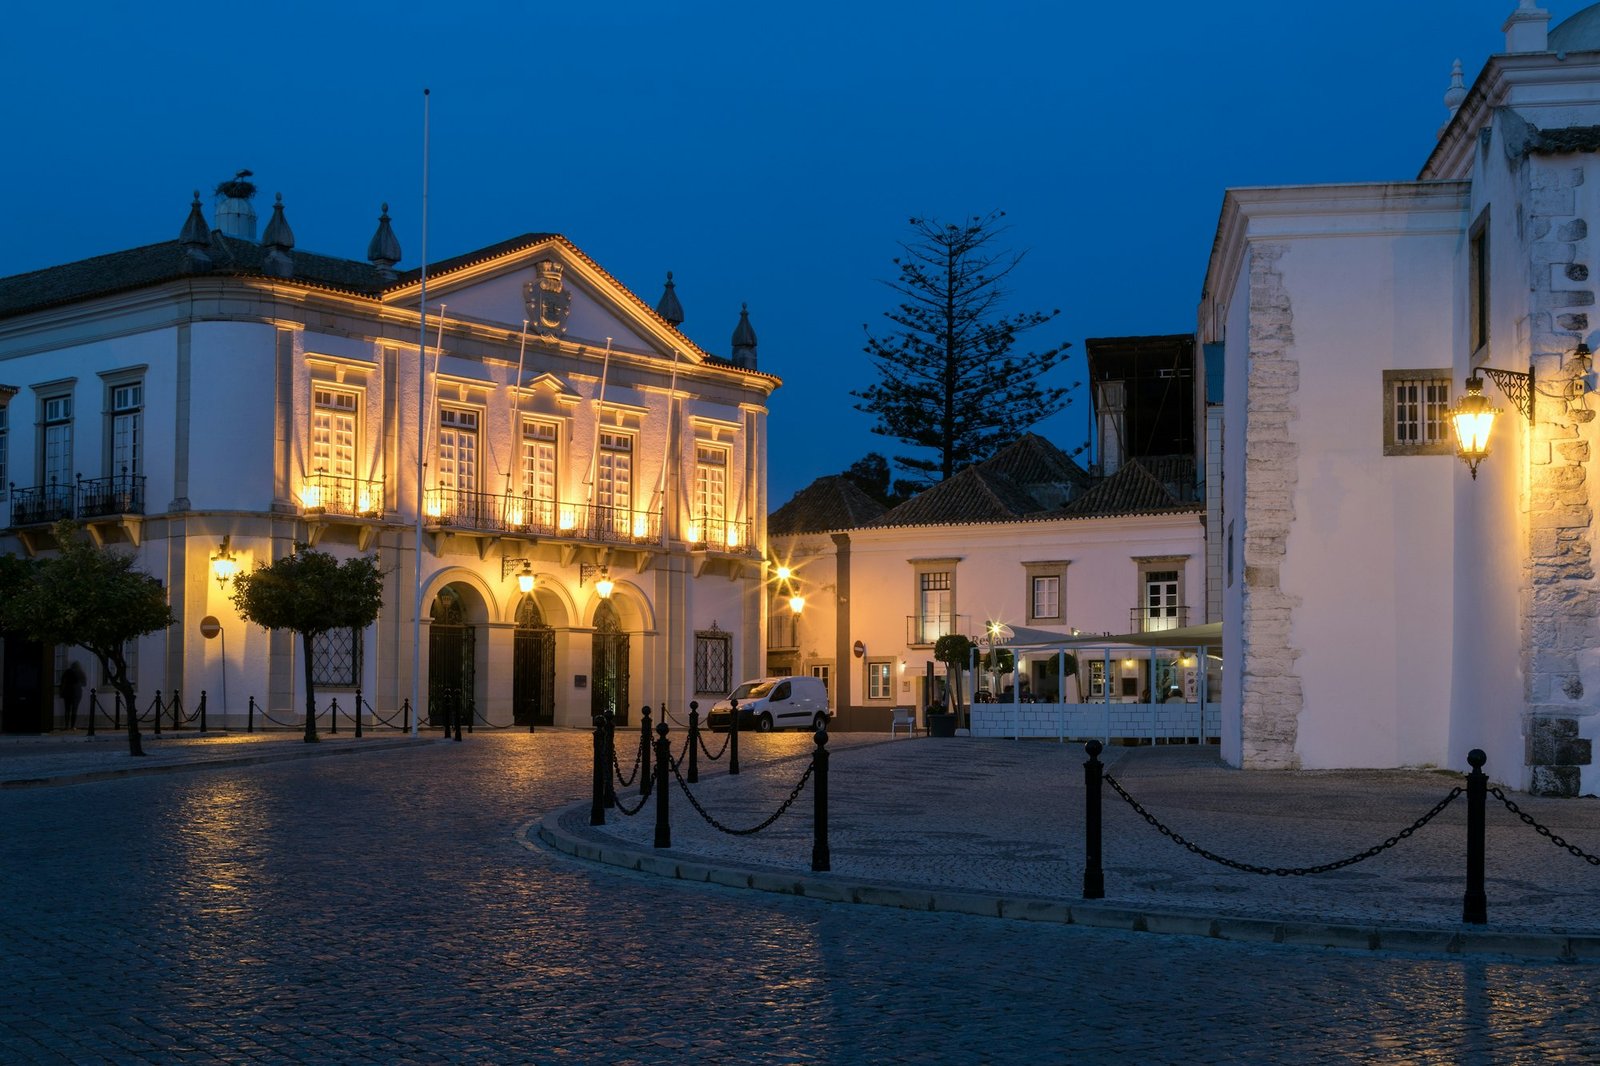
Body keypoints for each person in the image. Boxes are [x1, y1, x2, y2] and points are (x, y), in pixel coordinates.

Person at [60, 661, 86, 730]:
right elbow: (84, 683)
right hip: (76, 693)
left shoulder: (67, 672)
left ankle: (66, 726)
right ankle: (72, 726)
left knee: (67, 710)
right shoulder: (80, 672)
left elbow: (62, 681)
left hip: (67, 692)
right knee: (74, 710)